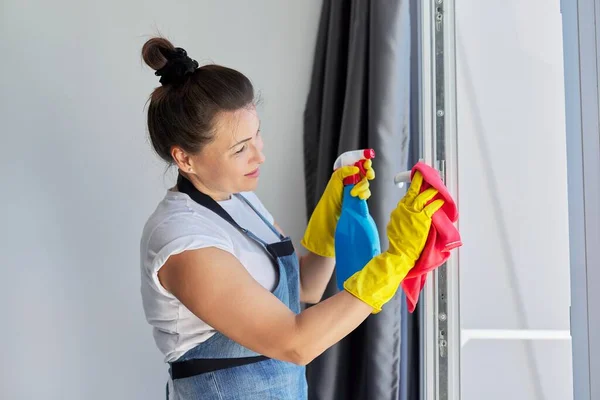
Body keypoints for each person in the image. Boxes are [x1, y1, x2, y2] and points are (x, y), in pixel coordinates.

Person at [139, 37, 444, 400]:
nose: (259, 156)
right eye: (240, 149)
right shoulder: (183, 241)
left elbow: (304, 290)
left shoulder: (241, 200)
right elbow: (295, 343)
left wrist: (334, 216)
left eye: (257, 135)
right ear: (185, 158)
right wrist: (399, 259)